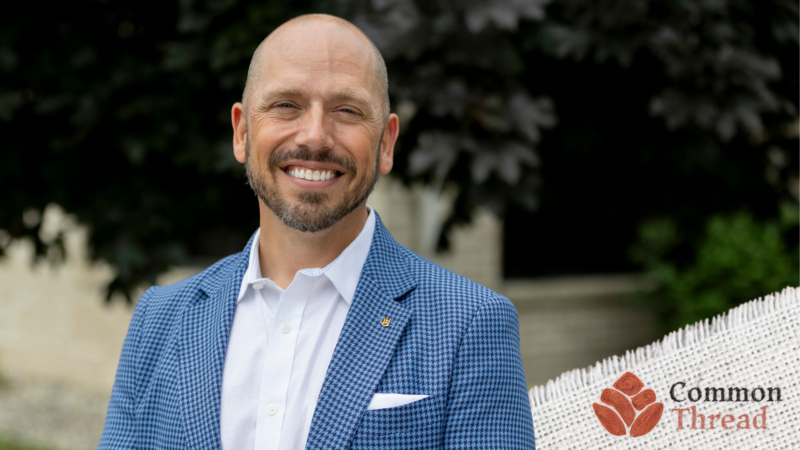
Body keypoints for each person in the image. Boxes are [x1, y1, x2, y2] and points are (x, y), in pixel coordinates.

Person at [100, 13, 535, 450]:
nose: (314, 137)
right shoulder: (159, 318)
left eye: (347, 110)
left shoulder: (471, 324)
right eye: (286, 105)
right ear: (242, 132)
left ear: (386, 143)